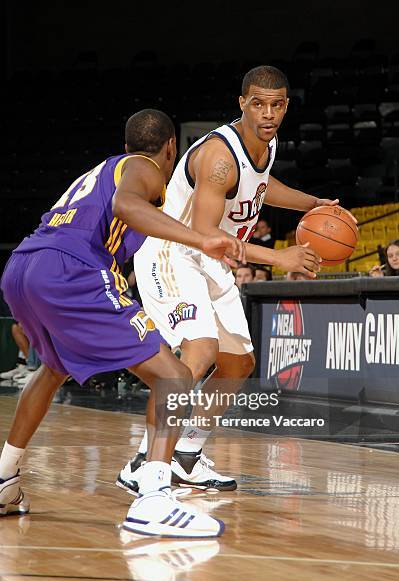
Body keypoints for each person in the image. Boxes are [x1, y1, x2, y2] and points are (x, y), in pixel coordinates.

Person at [0, 109, 241, 538]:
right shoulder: (145, 170)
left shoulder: (103, 170)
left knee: (54, 368)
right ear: (171, 149)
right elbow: (125, 205)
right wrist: (201, 238)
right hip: (70, 270)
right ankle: (153, 497)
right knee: (175, 376)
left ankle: (4, 477)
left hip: (24, 266)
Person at [118, 65, 339, 495]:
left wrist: (313, 204)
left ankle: (185, 455)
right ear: (242, 104)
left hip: (211, 261)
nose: (267, 113)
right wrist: (279, 255)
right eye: (258, 104)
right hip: (175, 253)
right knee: (197, 353)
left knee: (238, 363)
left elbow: (260, 186)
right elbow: (207, 236)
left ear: (286, 106)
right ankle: (144, 462)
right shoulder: (220, 156)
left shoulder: (266, 146)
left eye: (276, 105)